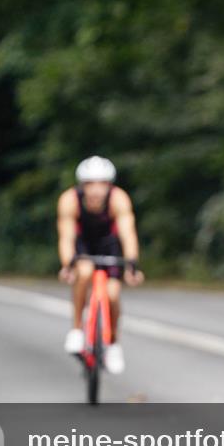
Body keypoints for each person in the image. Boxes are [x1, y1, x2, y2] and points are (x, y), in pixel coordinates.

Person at [56, 157, 144, 374]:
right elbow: (66, 237)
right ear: (81, 185)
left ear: (109, 185)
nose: (96, 190)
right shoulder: (69, 200)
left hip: (108, 244)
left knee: (113, 296)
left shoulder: (119, 199)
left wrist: (132, 264)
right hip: (83, 243)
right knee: (84, 272)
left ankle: (113, 343)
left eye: (102, 184)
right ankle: (77, 329)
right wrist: (67, 265)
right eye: (90, 184)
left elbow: (127, 234)